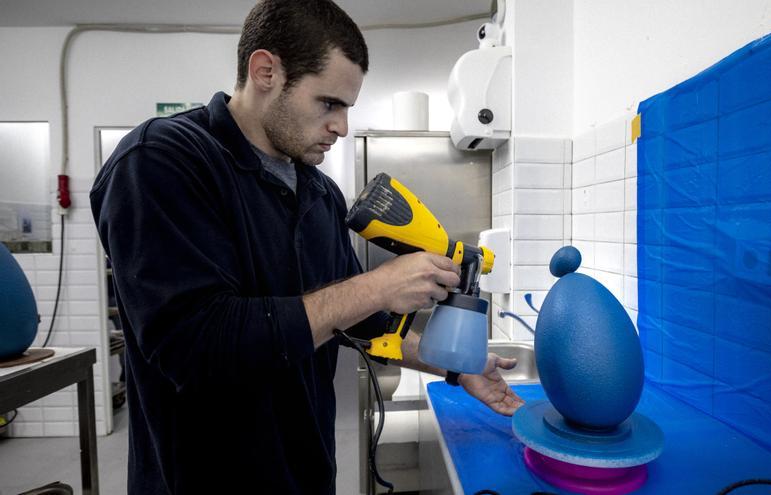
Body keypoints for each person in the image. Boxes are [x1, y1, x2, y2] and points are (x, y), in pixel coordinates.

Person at [90, 0, 524, 493]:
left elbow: (358, 322)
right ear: (265, 71)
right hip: (205, 478)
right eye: (328, 103)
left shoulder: (318, 192)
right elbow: (195, 346)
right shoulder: (163, 162)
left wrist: (453, 364)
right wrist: (377, 286)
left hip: (306, 471)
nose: (341, 126)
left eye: (346, 108)